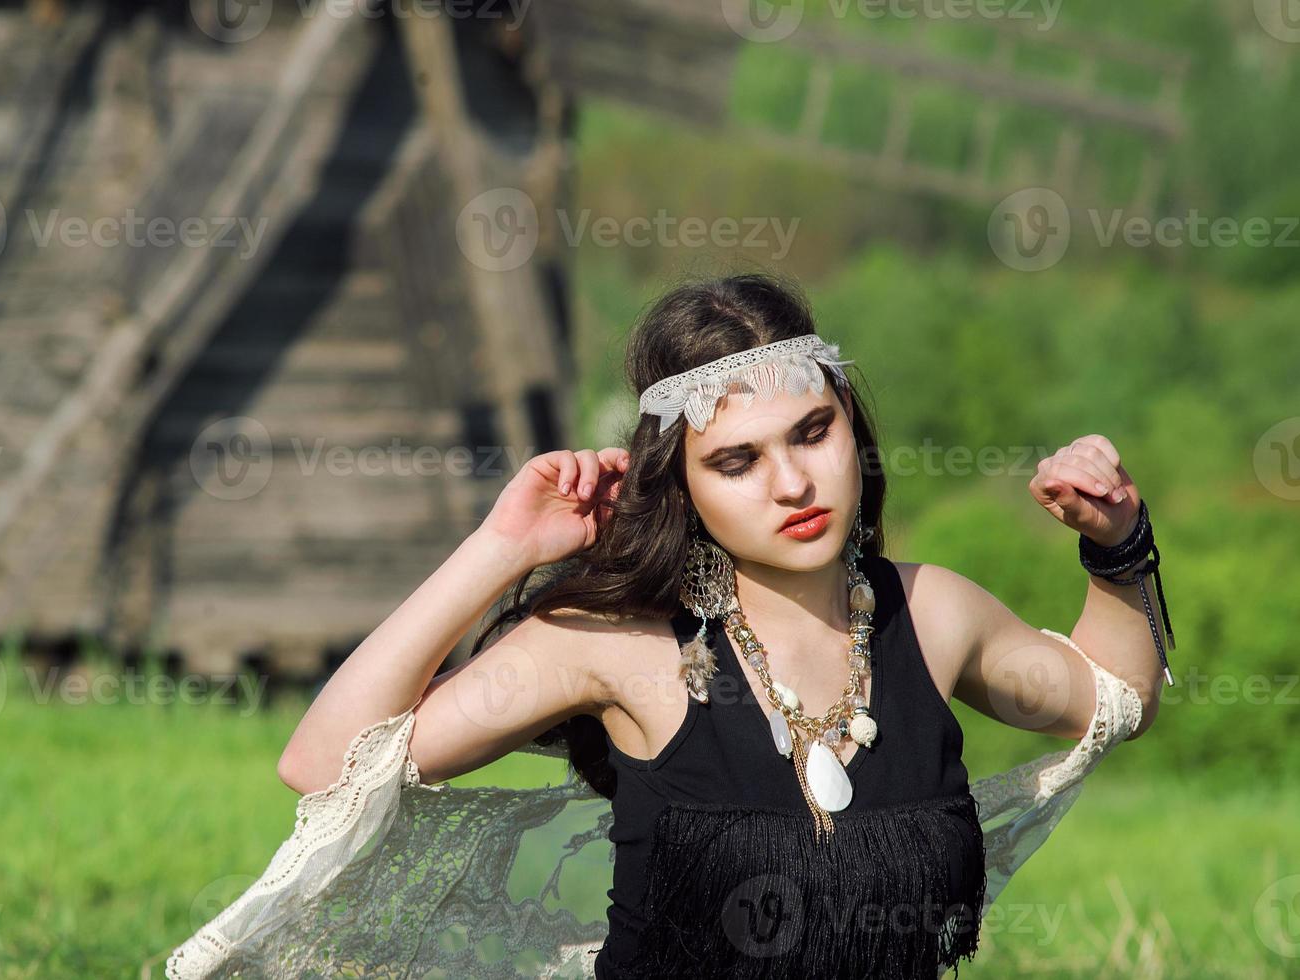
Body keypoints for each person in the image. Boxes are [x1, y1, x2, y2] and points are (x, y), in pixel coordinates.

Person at [166, 272, 1170, 979]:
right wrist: (500, 547)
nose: (789, 482)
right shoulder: (620, 646)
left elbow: (1111, 698)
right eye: (735, 459)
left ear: (848, 429)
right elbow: (325, 763)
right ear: (681, 484)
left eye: (811, 433)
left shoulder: (930, 612)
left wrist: (1116, 543)